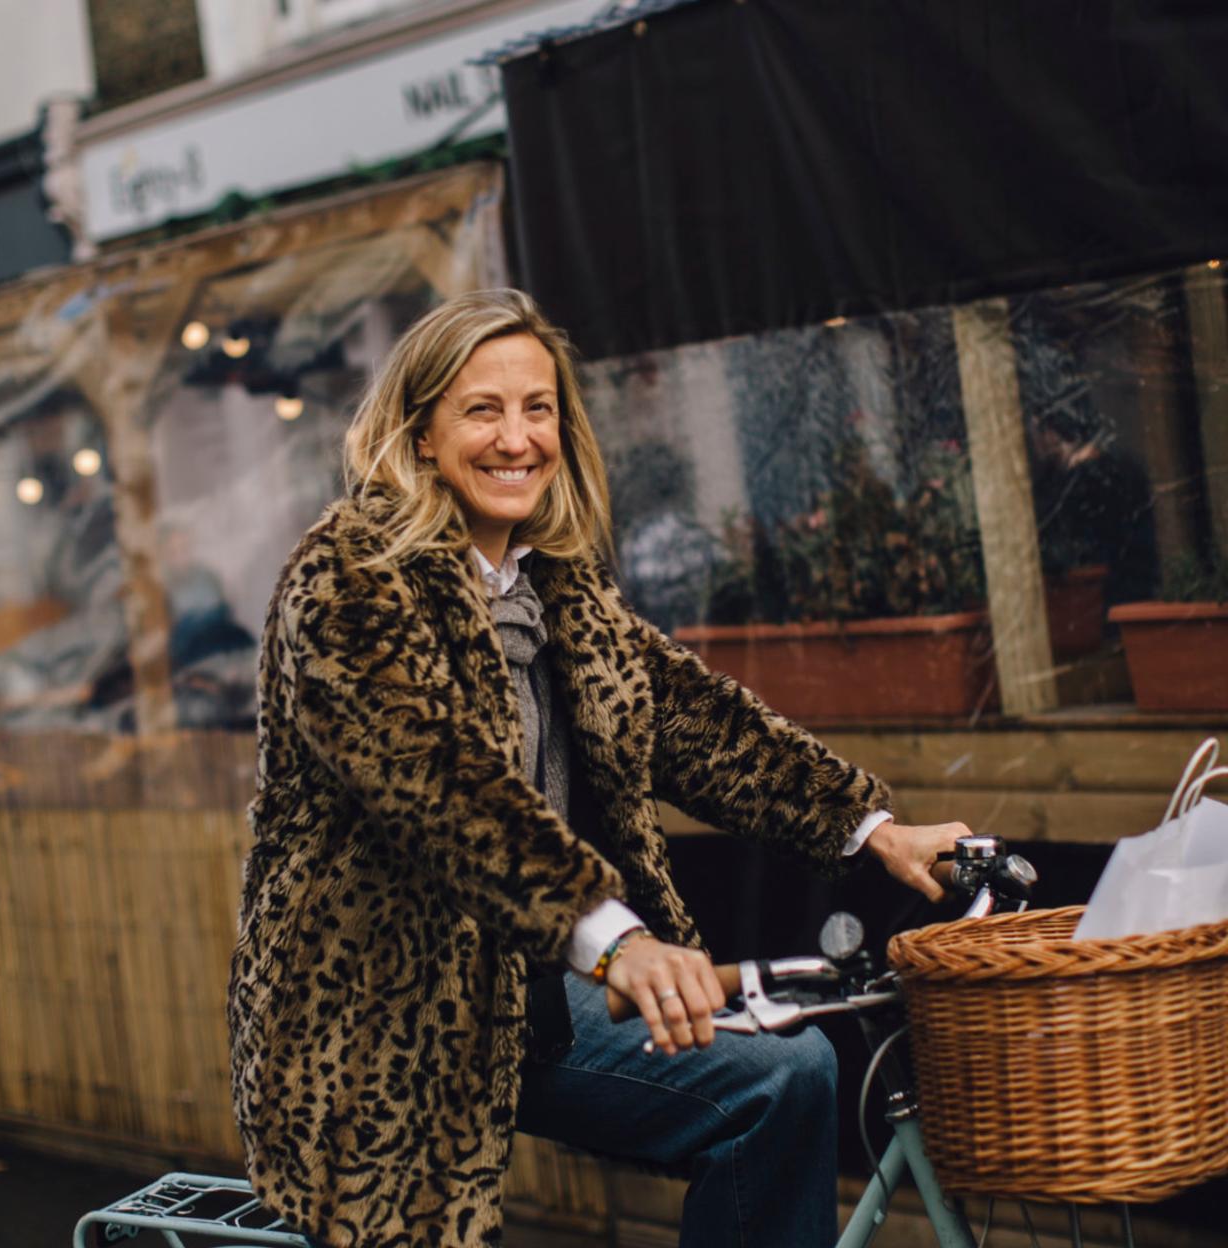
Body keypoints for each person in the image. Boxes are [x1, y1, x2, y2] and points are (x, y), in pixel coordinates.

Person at [227, 289, 968, 1248]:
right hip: (378, 1023)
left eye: (537, 408)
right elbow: (440, 786)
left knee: (788, 1078)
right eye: (481, 409)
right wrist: (617, 942)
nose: (516, 437)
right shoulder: (346, 578)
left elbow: (692, 721)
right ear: (419, 438)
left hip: (528, 995)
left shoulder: (556, 586)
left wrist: (874, 828)